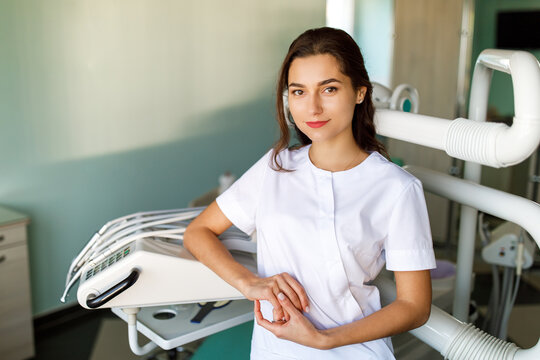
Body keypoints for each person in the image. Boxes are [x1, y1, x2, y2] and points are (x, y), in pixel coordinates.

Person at [184, 27, 436, 359]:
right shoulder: (275, 168)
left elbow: (415, 306)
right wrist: (248, 283)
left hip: (353, 352)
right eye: (299, 92)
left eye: (328, 89)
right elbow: (198, 232)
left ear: (360, 92)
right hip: (274, 350)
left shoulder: (396, 188)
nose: (312, 108)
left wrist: (324, 339)